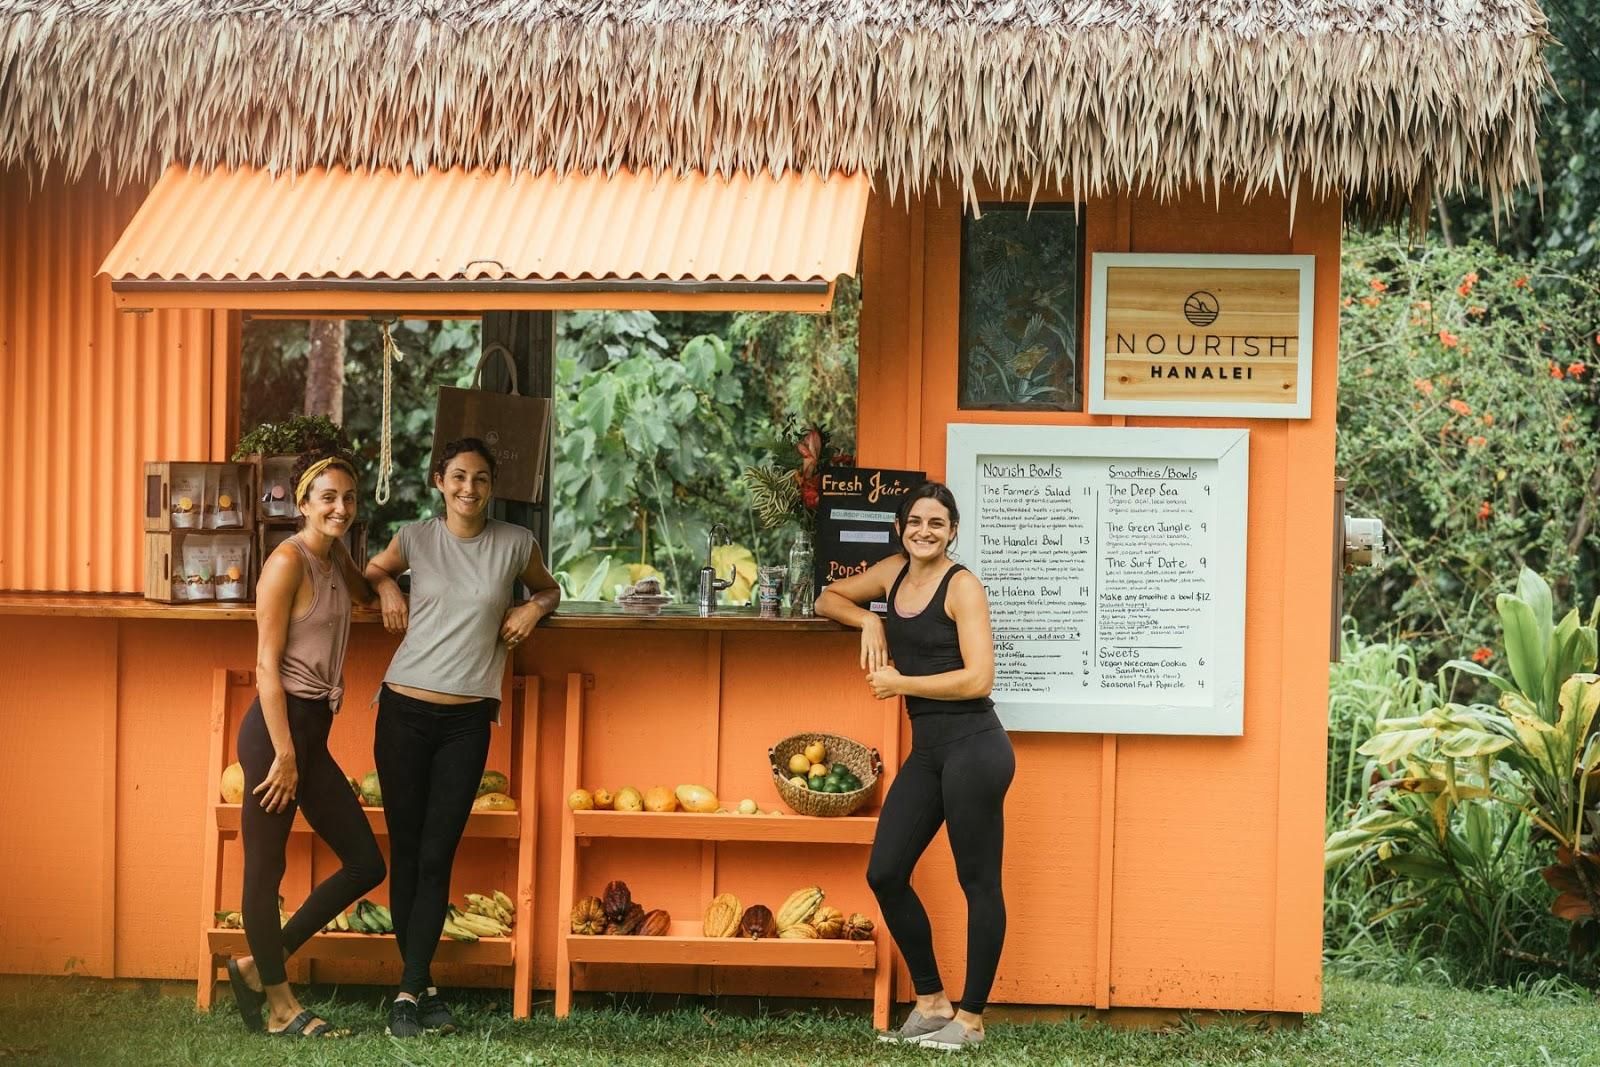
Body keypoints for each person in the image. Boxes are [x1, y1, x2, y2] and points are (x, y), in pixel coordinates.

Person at [364, 436, 560, 1037]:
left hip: (467, 720)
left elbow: (548, 588)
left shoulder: (514, 544)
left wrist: (533, 609)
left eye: (478, 478)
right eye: (457, 477)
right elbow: (374, 567)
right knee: (407, 847)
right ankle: (415, 990)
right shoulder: (417, 537)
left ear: (491, 485)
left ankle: (410, 988)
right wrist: (387, 585)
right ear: (438, 482)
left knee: (436, 852)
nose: (468, 488)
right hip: (402, 710)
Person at [815, 481, 1014, 1051]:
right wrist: (869, 621)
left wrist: (900, 681)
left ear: (953, 531)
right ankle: (931, 1003)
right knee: (885, 871)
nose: (924, 531)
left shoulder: (962, 586)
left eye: (937, 523)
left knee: (978, 882)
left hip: (975, 745)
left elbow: (979, 678)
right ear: (902, 527)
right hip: (927, 751)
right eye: (915, 522)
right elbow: (827, 597)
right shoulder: (893, 573)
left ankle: (971, 1019)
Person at [228, 450, 386, 1038]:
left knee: (366, 862)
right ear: (302, 504)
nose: (341, 508)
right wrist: (286, 755)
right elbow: (266, 667)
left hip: (311, 733)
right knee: (265, 870)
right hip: (277, 734)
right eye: (328, 498)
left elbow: (365, 595)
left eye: (348, 497)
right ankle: (279, 1006)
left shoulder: (335, 556)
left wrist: (388, 588)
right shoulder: (287, 563)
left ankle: (252, 967)